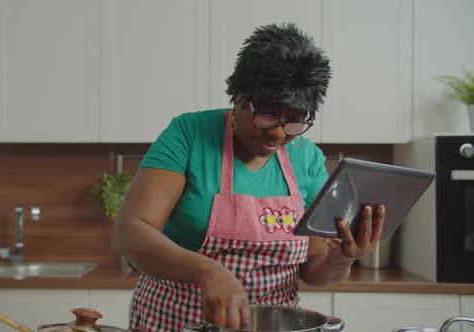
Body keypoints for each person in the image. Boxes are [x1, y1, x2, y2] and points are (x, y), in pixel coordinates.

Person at [112, 22, 385, 331]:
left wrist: (342, 259)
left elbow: (313, 270)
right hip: (176, 322)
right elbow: (130, 233)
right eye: (268, 115)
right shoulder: (189, 135)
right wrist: (207, 271)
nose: (280, 133)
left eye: (294, 121)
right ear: (239, 97)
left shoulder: (307, 158)